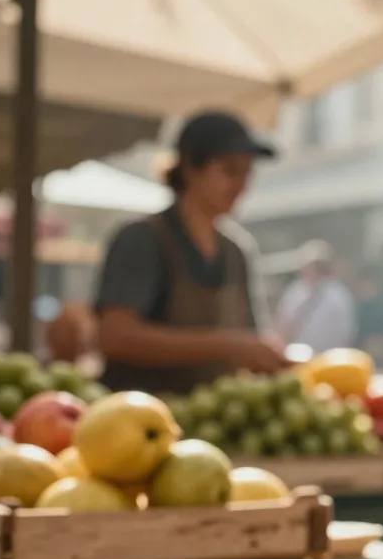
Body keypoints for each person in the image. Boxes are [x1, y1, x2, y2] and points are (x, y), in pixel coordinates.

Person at [94, 110, 288, 395]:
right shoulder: (142, 240)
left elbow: (250, 340)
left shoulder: (236, 252)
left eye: (247, 173)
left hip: (212, 420)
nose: (241, 186)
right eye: (229, 170)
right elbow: (115, 336)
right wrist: (226, 345)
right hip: (137, 418)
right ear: (190, 168)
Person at [274, 240, 357, 354]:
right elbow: (282, 323)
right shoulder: (294, 292)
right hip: (297, 357)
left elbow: (346, 331)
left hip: (328, 358)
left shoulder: (338, 295)